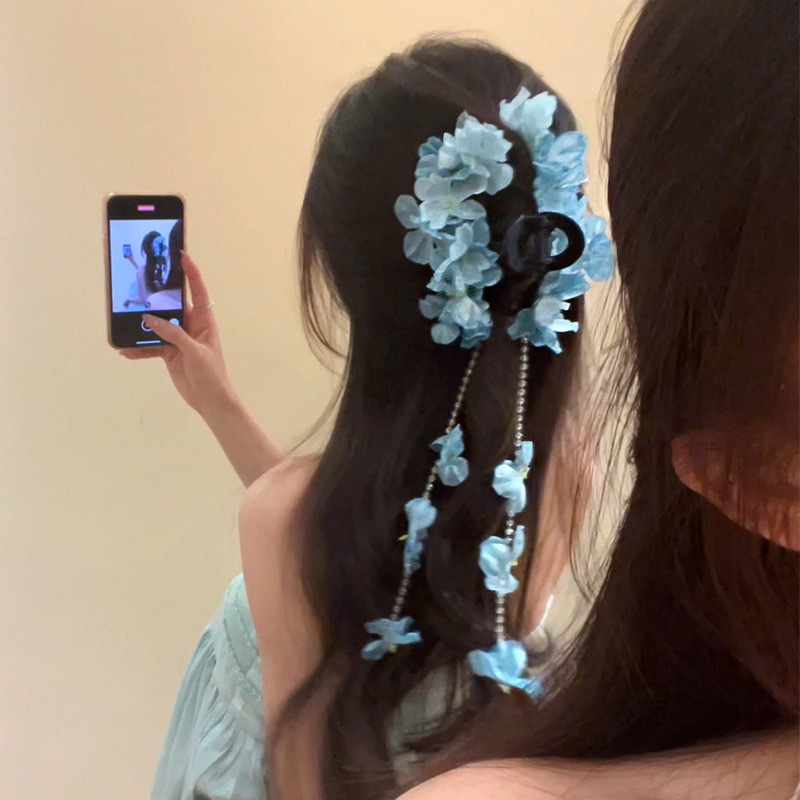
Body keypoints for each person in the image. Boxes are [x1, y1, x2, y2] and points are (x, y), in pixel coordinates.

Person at [126, 38, 606, 800]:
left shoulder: (277, 523)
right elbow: (380, 556)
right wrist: (218, 401)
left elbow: (308, 773)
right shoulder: (561, 471)